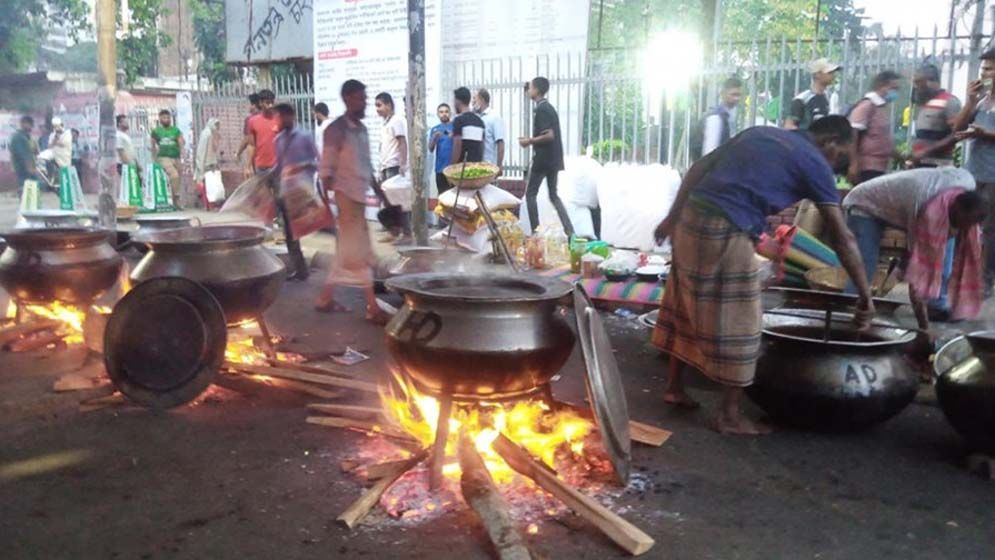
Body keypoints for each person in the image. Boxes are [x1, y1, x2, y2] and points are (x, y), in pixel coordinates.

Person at [652, 116, 875, 435]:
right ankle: (728, 415)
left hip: (690, 217)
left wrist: (671, 218)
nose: (839, 165)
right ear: (830, 143)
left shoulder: (761, 133)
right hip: (724, 228)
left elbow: (699, 167)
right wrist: (865, 295)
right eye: (841, 156)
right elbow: (843, 237)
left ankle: (674, 387)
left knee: (684, 300)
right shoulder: (814, 161)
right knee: (743, 316)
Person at [843, 168, 985, 326]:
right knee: (864, 264)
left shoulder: (967, 185)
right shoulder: (923, 205)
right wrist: (924, 329)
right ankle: (849, 307)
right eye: (960, 224)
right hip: (864, 204)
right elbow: (916, 271)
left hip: (902, 203)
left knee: (944, 247)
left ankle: (936, 304)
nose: (961, 230)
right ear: (955, 210)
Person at [316, 79, 390, 325]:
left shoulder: (362, 130)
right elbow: (326, 170)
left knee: (350, 252)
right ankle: (371, 307)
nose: (365, 102)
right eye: (360, 98)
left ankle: (325, 298)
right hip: (346, 198)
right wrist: (326, 207)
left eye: (364, 98)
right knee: (359, 253)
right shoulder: (335, 130)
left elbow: (367, 167)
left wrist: (382, 196)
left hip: (358, 198)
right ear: (347, 98)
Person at [953, 48, 995, 297]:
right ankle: (963, 275)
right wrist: (969, 101)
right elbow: (957, 127)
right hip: (973, 172)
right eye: (983, 69)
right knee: (965, 224)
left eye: (990, 69)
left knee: (989, 229)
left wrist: (984, 134)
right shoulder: (981, 101)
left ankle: (985, 280)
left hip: (993, 176)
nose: (985, 73)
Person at [519, 77, 574, 236]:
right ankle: (571, 233)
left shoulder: (542, 109)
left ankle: (536, 234)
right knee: (553, 195)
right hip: (554, 159)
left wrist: (529, 141)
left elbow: (549, 135)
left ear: (536, 90)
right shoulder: (549, 107)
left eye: (530, 88)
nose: (529, 90)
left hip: (543, 159)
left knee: (530, 195)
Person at [273, 103, 317, 281]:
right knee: (290, 233)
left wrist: (301, 168)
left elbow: (316, 162)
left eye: (282, 116)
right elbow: (280, 165)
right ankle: (300, 269)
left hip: (303, 191)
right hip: (287, 192)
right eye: (278, 117)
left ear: (291, 116)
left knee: (318, 224)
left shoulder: (305, 136)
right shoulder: (278, 140)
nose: (280, 120)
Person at [847, 70, 903, 185]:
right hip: (867, 167)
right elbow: (853, 134)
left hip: (880, 166)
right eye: (893, 88)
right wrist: (854, 164)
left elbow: (881, 138)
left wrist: (898, 155)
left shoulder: (881, 108)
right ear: (880, 86)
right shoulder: (867, 106)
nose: (895, 93)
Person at [374, 92, 410, 243]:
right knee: (391, 204)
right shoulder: (387, 123)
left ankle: (405, 234)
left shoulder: (396, 121)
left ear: (388, 105)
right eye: (376, 106)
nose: (377, 109)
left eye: (379, 105)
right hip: (386, 166)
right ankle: (395, 232)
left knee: (397, 204)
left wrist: (402, 164)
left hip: (394, 167)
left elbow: (402, 143)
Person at [910, 64, 962, 168]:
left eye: (920, 82)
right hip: (920, 163)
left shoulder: (950, 101)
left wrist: (927, 151)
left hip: (938, 165)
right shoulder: (924, 102)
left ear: (933, 82)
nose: (917, 87)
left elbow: (958, 134)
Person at [784, 58, 840, 130]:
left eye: (833, 72)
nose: (833, 75)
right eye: (829, 72)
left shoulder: (830, 98)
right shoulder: (802, 100)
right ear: (817, 75)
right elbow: (789, 126)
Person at [698, 76, 743, 158]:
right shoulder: (715, 118)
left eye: (739, 95)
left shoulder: (730, 116)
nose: (737, 98)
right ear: (723, 94)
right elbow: (710, 152)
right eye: (733, 94)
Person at [150, 109, 185, 208]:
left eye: (168, 117)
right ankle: (177, 198)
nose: (166, 119)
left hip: (176, 157)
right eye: (164, 118)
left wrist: (183, 156)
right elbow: (153, 146)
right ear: (160, 119)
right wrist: (154, 159)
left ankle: (175, 202)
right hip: (164, 157)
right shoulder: (156, 131)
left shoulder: (175, 130)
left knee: (178, 179)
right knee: (174, 175)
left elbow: (181, 143)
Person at [241, 89, 279, 177]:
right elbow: (251, 145)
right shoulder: (253, 121)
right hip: (261, 167)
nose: (270, 105)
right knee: (262, 191)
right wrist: (248, 166)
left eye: (272, 103)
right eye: (267, 103)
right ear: (260, 103)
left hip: (277, 167)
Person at [450, 87, 485, 165]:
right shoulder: (479, 121)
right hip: (476, 167)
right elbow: (482, 146)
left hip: (462, 169)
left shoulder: (459, 120)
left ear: (457, 101)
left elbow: (457, 145)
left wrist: (452, 166)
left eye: (454, 100)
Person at [473, 88, 506, 173]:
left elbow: (500, 142)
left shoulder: (494, 117)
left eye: (474, 99)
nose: (472, 102)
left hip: (489, 166)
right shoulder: (475, 117)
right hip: (476, 165)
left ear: (482, 100)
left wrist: (499, 165)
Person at [9, 115, 39, 194]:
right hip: (24, 169)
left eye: (32, 125)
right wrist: (30, 168)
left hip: (28, 168)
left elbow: (33, 152)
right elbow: (24, 155)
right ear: (23, 124)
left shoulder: (27, 137)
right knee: (26, 191)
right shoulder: (19, 137)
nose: (31, 127)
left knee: (31, 192)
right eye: (29, 124)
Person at [429, 103, 454, 195]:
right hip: (440, 169)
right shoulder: (435, 129)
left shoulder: (455, 127)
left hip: (453, 168)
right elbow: (430, 149)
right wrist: (435, 137)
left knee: (454, 197)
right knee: (442, 196)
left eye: (446, 112)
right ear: (438, 114)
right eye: (441, 112)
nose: (444, 114)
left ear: (450, 113)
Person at [194, 118, 221, 203]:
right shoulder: (206, 133)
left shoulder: (214, 133)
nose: (218, 127)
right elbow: (202, 150)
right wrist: (201, 163)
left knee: (213, 182)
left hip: (212, 161)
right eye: (216, 125)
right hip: (206, 162)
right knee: (207, 183)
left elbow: (215, 148)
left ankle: (212, 202)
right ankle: (207, 203)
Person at [236, 92, 262, 171]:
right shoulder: (267, 117)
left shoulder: (250, 120)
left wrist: (238, 153)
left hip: (258, 158)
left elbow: (247, 140)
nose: (247, 106)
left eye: (248, 104)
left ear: (253, 105)